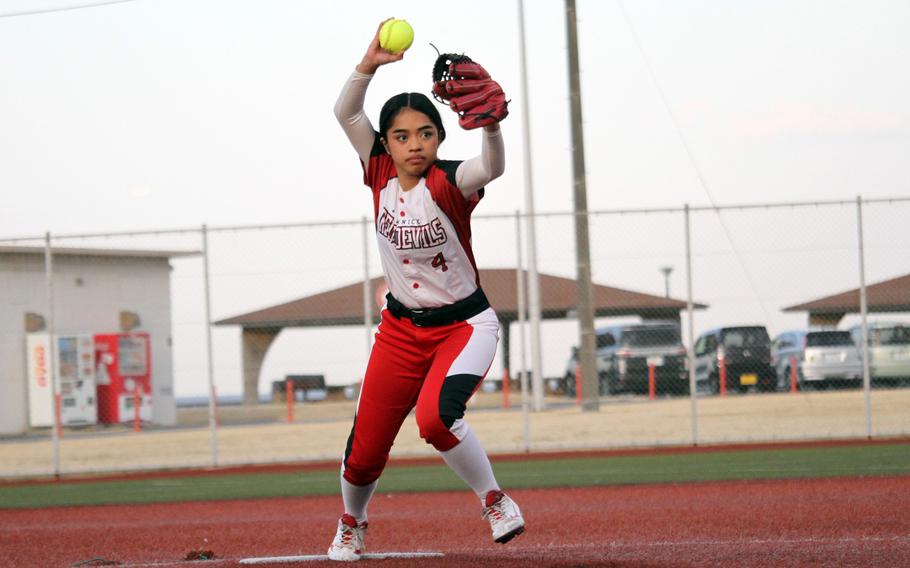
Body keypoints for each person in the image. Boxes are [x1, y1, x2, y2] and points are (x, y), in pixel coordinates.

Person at [327, 21, 525, 562]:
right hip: (399, 331)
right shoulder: (379, 172)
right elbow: (346, 112)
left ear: (440, 137)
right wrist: (368, 64)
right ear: (387, 144)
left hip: (463, 326)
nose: (415, 144)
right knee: (365, 450)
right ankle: (353, 522)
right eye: (402, 135)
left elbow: (494, 166)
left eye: (426, 133)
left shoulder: (449, 179)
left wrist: (491, 126)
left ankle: (495, 501)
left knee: (437, 420)